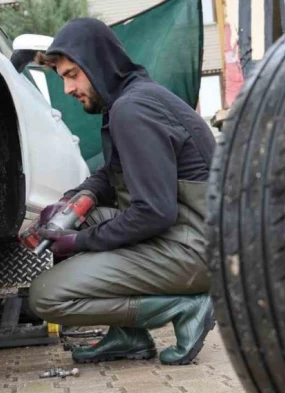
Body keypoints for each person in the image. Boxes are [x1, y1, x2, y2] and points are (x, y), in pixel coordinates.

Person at [29, 18, 216, 366]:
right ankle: (128, 335)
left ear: (96, 63)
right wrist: (74, 202)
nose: (68, 89)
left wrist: (78, 243)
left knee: (47, 296)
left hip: (194, 249)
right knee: (76, 222)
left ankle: (186, 307)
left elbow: (154, 213)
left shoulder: (133, 110)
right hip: (192, 235)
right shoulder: (133, 101)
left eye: (72, 74)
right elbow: (112, 172)